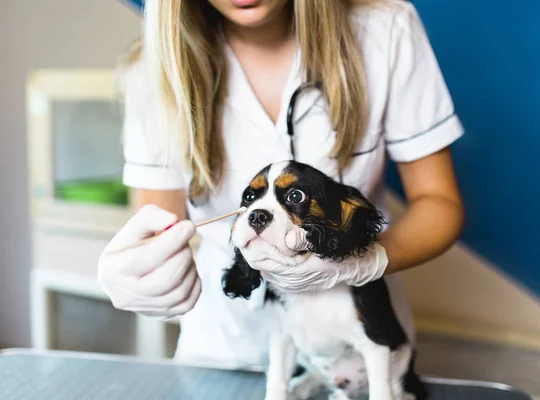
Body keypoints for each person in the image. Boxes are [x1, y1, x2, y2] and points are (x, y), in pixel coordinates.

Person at [98, 0, 465, 369]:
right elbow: (157, 232)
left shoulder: (386, 30)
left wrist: (365, 261)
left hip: (360, 355)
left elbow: (438, 202)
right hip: (226, 350)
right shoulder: (154, 71)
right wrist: (138, 274)